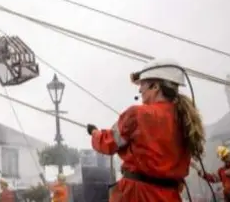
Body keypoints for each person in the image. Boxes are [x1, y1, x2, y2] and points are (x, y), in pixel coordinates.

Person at [86, 58, 206, 202]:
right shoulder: (186, 120)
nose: (140, 89)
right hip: (171, 196)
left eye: (142, 84)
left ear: (155, 86)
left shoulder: (137, 114)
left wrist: (94, 133)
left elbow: (108, 143)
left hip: (138, 195)